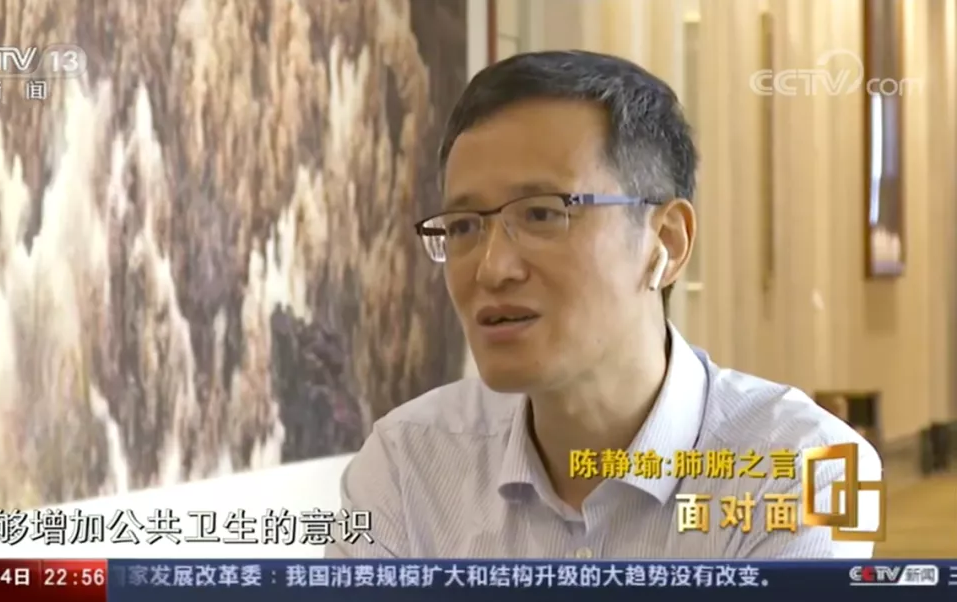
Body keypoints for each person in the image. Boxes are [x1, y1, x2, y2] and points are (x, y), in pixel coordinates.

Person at [326, 51, 881, 559]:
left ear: (666, 242)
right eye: (464, 226)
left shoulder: (813, 466)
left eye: (541, 214)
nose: (491, 268)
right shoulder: (408, 461)